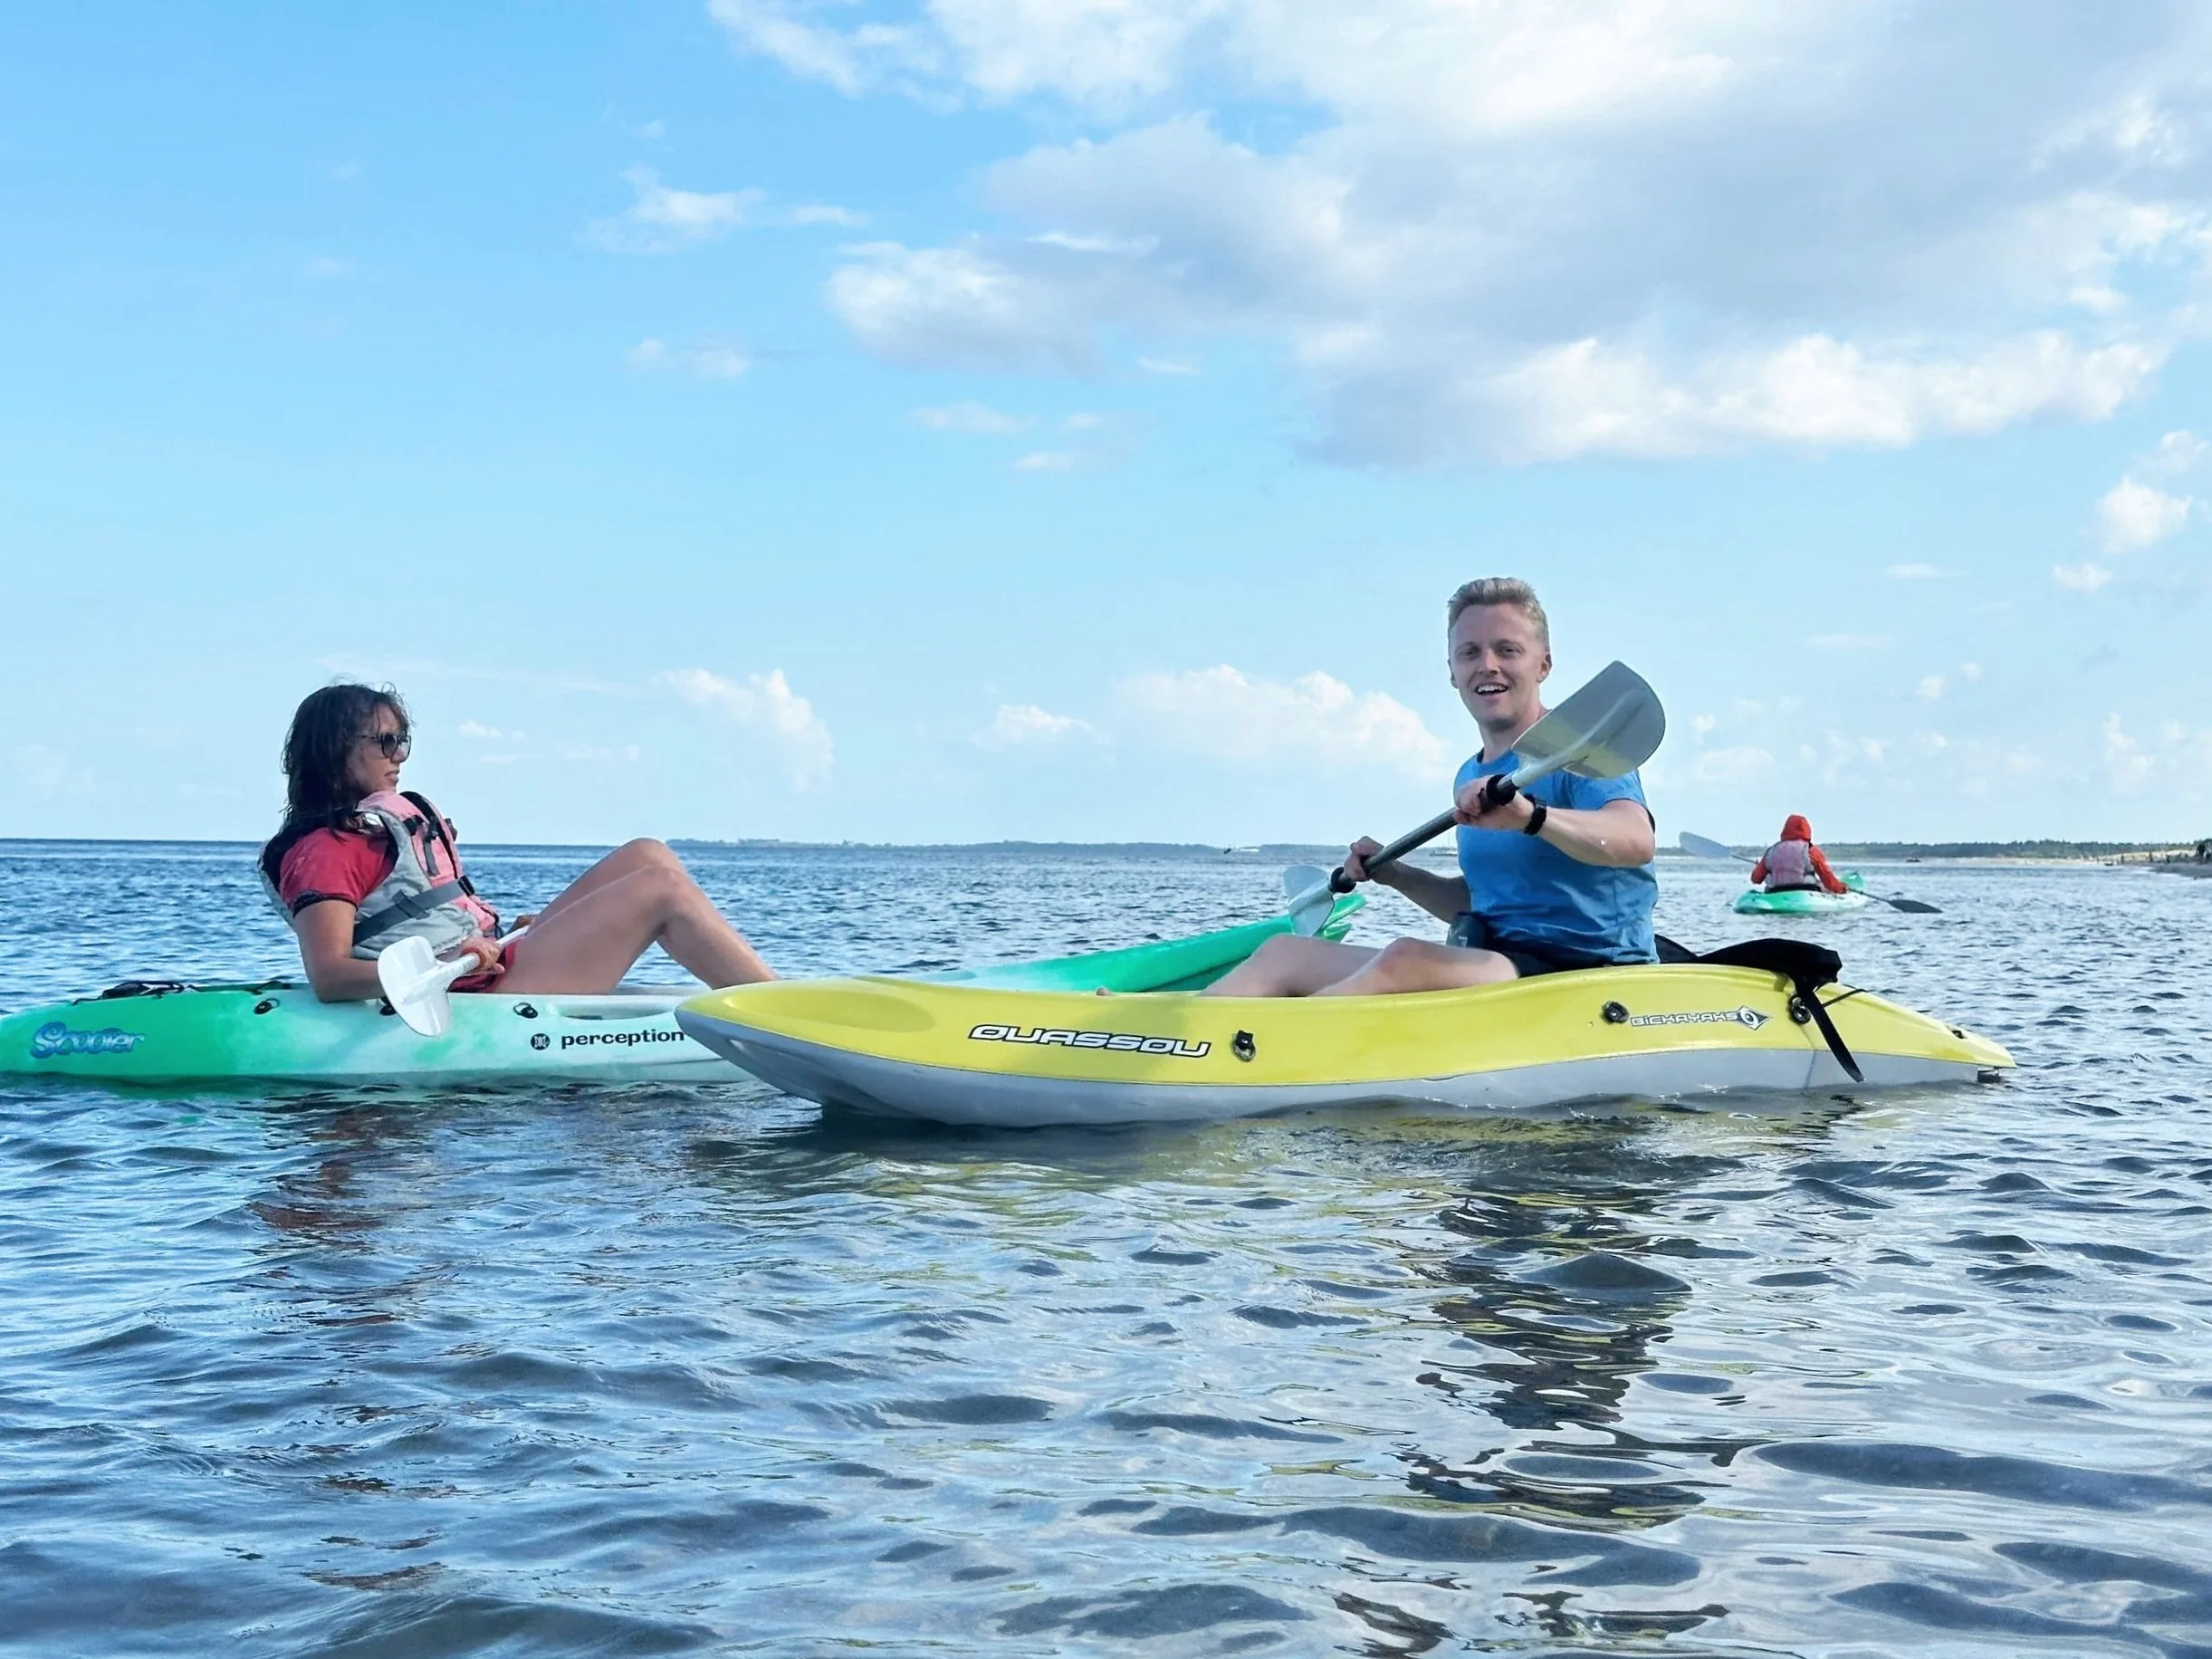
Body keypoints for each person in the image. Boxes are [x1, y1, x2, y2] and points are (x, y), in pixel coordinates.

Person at [1207, 577, 1657, 997]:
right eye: (1470, 653)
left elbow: (1635, 841)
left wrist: (1531, 816)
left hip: (1588, 972)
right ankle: (1174, 1044)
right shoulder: (1470, 773)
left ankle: (1260, 1052)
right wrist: (1400, 876)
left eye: (1507, 650)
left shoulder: (1582, 752)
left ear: (1544, 664)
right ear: (1451, 670)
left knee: (1406, 958)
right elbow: (1483, 902)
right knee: (1287, 953)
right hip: (1504, 962)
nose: (1488, 665)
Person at [257, 683, 775, 1002]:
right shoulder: (324, 848)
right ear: (334, 750)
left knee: (648, 854)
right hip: (468, 989)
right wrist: (443, 965)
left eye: (403, 740)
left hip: (491, 961)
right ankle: (781, 1010)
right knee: (662, 890)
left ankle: (769, 995)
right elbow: (330, 977)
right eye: (386, 742)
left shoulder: (378, 826)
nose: (400, 757)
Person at [1748, 815, 1849, 895]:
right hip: (1805, 891)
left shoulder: (1771, 851)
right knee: (1823, 886)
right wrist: (1841, 888)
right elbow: (1828, 879)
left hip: (1775, 891)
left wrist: (1758, 867)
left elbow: (1756, 879)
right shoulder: (1811, 851)